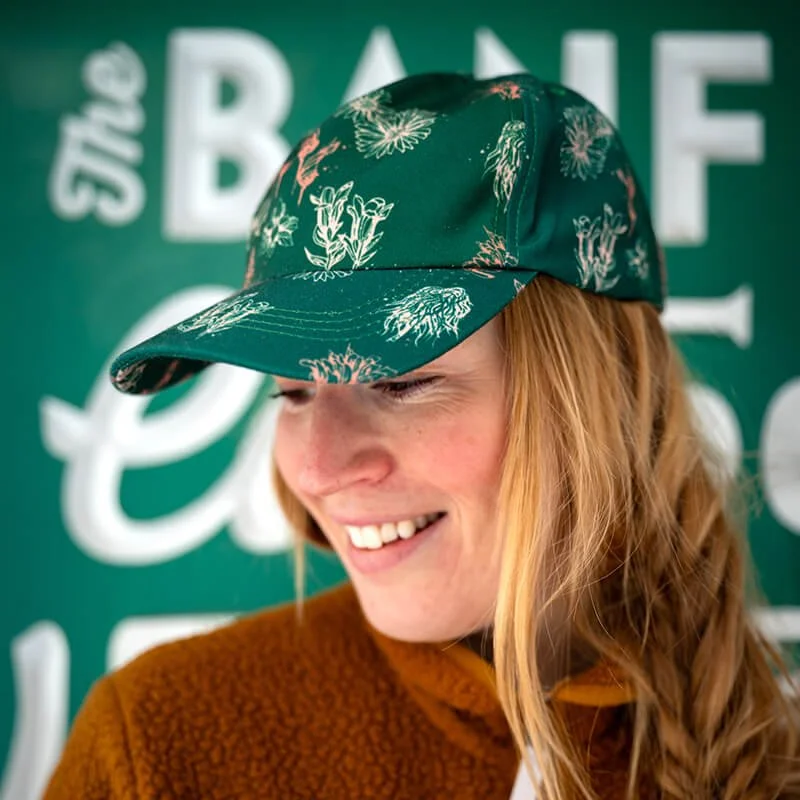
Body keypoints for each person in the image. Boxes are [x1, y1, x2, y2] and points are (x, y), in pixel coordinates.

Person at [43, 71, 800, 800]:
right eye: (292, 392)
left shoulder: (772, 752)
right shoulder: (158, 743)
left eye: (400, 381)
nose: (318, 467)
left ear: (599, 396)